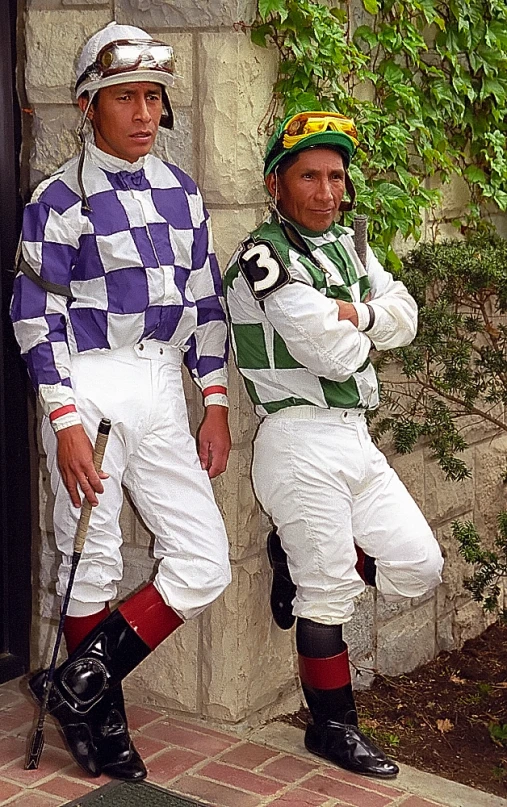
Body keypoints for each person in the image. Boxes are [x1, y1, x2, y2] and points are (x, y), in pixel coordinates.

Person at [11, 22, 232, 782]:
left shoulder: (182, 192)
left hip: (162, 384)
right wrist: (63, 421)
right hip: (88, 385)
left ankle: (79, 681)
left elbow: (205, 300)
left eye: (151, 97)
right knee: (93, 558)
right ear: (87, 106)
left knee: (204, 558)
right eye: (124, 97)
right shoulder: (58, 198)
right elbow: (32, 315)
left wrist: (214, 399)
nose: (143, 113)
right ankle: (101, 719)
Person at [223, 111, 444, 779]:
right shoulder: (262, 253)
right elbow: (329, 353)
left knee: (418, 565)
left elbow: (405, 316)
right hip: (296, 436)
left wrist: (354, 314)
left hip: (355, 438)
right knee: (328, 598)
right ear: (276, 183)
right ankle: (331, 728)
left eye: (335, 177)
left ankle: (296, 555)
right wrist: (362, 322)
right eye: (309, 176)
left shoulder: (349, 244)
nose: (325, 191)